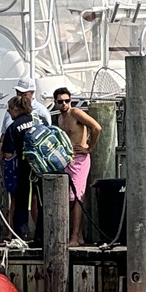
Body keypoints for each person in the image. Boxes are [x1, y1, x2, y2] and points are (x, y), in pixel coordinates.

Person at [52, 87, 102, 246]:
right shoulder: (60, 118)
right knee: (69, 198)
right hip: (67, 160)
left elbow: (97, 127)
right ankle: (77, 235)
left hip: (80, 159)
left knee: (76, 197)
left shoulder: (76, 113)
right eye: (61, 102)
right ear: (55, 103)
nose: (65, 104)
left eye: (67, 101)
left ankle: (74, 236)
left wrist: (89, 148)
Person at [0, 95, 35, 239]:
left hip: (23, 168)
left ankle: (20, 234)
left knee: (20, 202)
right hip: (41, 167)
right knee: (39, 201)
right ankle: (40, 235)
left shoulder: (13, 127)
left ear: (17, 109)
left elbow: (7, 153)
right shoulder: (36, 120)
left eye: (10, 109)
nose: (8, 111)